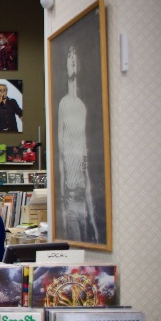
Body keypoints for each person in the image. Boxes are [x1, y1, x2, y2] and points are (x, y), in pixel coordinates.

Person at [57, 44, 97, 243]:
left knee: (89, 244)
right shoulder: (63, 103)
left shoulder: (81, 105)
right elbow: (60, 155)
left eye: (75, 56)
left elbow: (85, 156)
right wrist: (63, 202)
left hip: (83, 195)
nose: (72, 59)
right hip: (71, 197)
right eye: (69, 55)